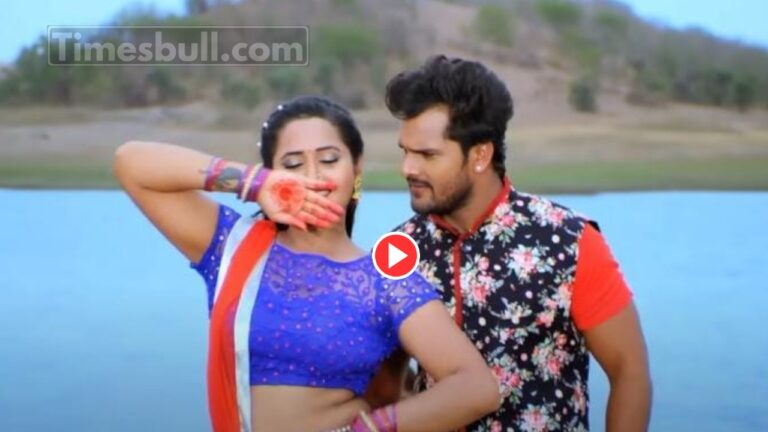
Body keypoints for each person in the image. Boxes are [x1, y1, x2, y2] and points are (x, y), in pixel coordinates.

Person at [113, 95, 500, 432]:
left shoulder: (384, 279)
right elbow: (131, 163)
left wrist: (369, 428)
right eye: (292, 165)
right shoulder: (233, 247)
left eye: (329, 159)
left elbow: (475, 387)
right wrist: (253, 183)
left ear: (356, 169)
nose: (312, 177)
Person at [384, 56, 652, 432]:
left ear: (480, 155)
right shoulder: (397, 252)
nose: (407, 168)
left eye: (427, 155)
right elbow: (384, 382)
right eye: (405, 151)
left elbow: (630, 372)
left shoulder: (568, 241)